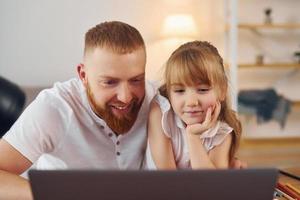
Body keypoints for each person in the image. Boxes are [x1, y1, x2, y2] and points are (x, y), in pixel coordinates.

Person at [0, 22, 245, 200]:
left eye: (136, 79)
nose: (126, 97)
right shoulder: (54, 109)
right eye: (110, 82)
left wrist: (224, 165)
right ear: (83, 75)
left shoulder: (157, 100)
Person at [144, 41, 242, 169]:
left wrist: (193, 136)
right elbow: (168, 182)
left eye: (202, 90)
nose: (191, 102)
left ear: (222, 91)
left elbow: (211, 186)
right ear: (169, 93)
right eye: (179, 91)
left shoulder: (222, 133)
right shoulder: (161, 114)